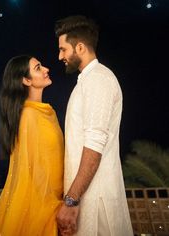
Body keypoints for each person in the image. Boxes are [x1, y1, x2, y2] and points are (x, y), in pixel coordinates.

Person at [55, 15, 133, 236]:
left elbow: (94, 146)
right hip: (84, 199)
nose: (60, 56)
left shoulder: (99, 79)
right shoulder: (87, 82)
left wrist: (70, 201)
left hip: (96, 202)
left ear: (79, 47)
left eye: (63, 49)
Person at [0, 55, 64, 236]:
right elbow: (34, 171)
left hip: (58, 201)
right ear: (26, 80)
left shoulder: (46, 112)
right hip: (43, 209)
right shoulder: (28, 116)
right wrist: (55, 206)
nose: (46, 69)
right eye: (38, 68)